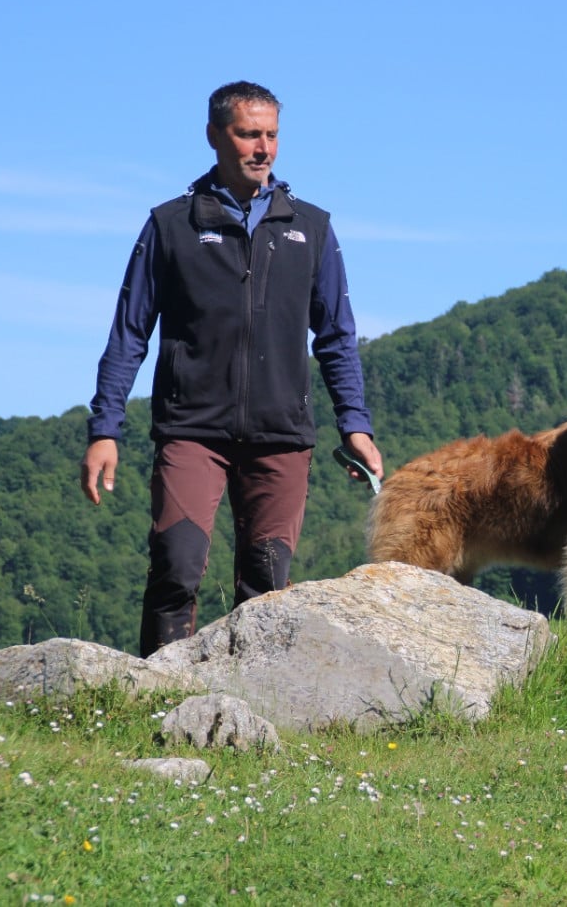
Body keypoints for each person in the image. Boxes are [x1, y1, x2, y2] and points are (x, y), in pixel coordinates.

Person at [79, 80, 384, 657]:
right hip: (191, 429)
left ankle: (250, 704)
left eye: (272, 135)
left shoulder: (311, 227)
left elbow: (337, 336)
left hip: (281, 435)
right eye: (248, 135)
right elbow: (129, 334)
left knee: (267, 588)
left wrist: (355, 424)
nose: (263, 148)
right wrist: (104, 429)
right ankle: (159, 691)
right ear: (214, 135)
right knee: (176, 568)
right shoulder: (171, 225)